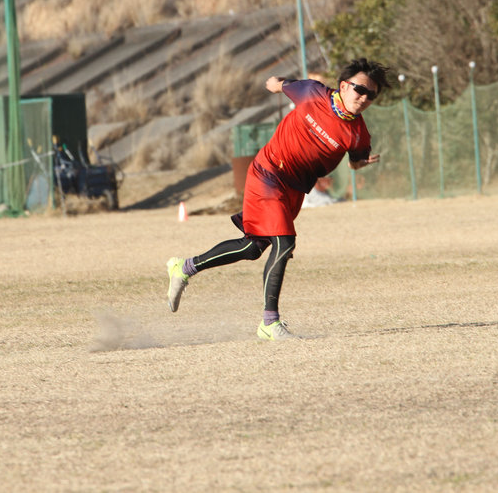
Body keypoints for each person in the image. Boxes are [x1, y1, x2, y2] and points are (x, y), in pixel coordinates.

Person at [164, 58, 393, 340]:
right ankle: (269, 323)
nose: (364, 98)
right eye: (360, 89)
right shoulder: (312, 92)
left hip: (295, 188)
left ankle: (184, 267)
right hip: (268, 172)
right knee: (284, 242)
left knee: (253, 247)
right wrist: (275, 83)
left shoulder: (358, 133)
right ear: (344, 86)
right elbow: (278, 85)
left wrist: (360, 164)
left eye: (371, 95)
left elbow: (355, 162)